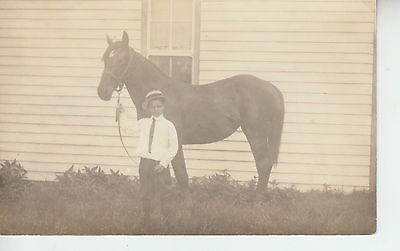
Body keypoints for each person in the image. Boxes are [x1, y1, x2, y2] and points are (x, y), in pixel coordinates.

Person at [117, 90, 179, 227]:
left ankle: (167, 221)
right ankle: (145, 220)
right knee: (145, 192)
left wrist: (163, 164)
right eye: (153, 106)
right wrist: (122, 113)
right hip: (145, 163)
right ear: (149, 108)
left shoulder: (169, 125)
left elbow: (174, 147)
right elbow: (128, 128)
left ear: (163, 107)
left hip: (160, 164)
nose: (156, 109)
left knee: (165, 192)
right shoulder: (144, 123)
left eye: (159, 106)